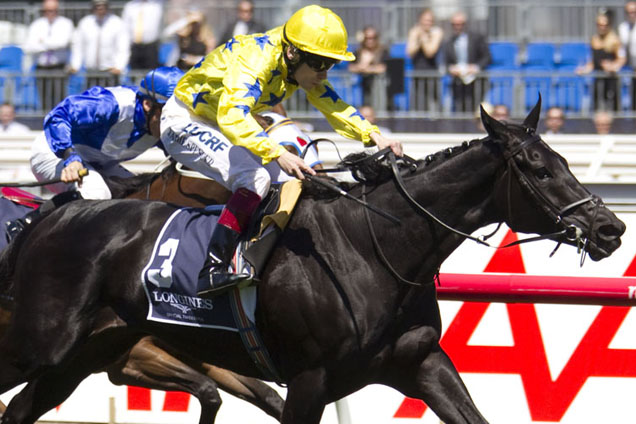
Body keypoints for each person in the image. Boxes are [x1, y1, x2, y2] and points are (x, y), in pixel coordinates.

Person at [160, 4, 403, 296]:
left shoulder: (298, 60)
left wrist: (375, 136)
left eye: (330, 65)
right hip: (185, 119)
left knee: (294, 180)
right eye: (320, 65)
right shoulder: (257, 59)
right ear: (293, 53)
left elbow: (332, 103)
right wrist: (276, 152)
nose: (324, 74)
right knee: (256, 179)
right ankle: (211, 269)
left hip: (219, 118)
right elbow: (233, 115)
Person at [29, 66, 184, 200]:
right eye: (168, 112)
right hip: (53, 153)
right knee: (97, 192)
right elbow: (58, 116)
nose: (173, 120)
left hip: (98, 164)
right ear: (148, 104)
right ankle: (30, 222)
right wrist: (70, 157)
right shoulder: (111, 104)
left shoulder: (161, 124)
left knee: (143, 195)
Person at [23, 0, 74, 112]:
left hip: (58, 67)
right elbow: (29, 46)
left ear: (58, 10)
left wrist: (42, 42)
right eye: (46, 10)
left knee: (59, 101)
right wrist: (50, 44)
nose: (50, 13)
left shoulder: (66, 23)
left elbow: (62, 43)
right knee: (44, 101)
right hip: (41, 67)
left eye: (53, 10)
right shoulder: (37, 24)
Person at [69, 0, 130, 88]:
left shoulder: (117, 23)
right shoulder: (85, 23)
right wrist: (75, 65)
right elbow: (78, 46)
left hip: (110, 72)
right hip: (91, 72)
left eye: (103, 6)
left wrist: (119, 66)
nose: (100, 9)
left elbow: (123, 47)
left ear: (107, 7)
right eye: (97, 6)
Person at [443, 11, 491, 113]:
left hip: (476, 82)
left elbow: (487, 57)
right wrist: (451, 69)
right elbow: (445, 62)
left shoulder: (477, 38)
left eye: (461, 24)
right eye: (455, 24)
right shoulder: (448, 41)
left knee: (476, 109)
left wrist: (475, 67)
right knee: (459, 110)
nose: (458, 27)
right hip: (458, 82)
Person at [576, 12, 626, 111]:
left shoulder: (615, 40)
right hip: (598, 78)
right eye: (599, 25)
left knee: (612, 106)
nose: (602, 27)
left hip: (610, 78)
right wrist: (584, 69)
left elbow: (621, 58)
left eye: (605, 25)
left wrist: (612, 66)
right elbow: (592, 61)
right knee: (597, 105)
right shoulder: (594, 40)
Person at [406, 8, 443, 111]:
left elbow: (430, 52)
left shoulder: (437, 32)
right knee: (418, 106)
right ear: (420, 20)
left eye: (430, 20)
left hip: (432, 74)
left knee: (434, 107)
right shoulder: (414, 31)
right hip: (418, 74)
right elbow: (409, 52)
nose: (428, 23)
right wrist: (420, 40)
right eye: (425, 20)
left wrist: (422, 38)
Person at [348, 26, 389, 109]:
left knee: (379, 109)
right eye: (367, 38)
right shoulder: (358, 51)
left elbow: (383, 68)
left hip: (380, 88)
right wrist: (365, 65)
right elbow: (351, 67)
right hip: (364, 86)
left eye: (373, 38)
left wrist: (365, 68)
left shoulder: (383, 51)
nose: (370, 41)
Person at [122, 0, 164, 70]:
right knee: (135, 72)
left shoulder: (156, 6)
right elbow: (125, 27)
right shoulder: (130, 6)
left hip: (151, 46)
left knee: (151, 73)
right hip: (134, 46)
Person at [618, 1, 636, 110]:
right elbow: (621, 50)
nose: (632, 14)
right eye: (629, 12)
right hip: (629, 67)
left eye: (634, 12)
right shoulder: (622, 28)